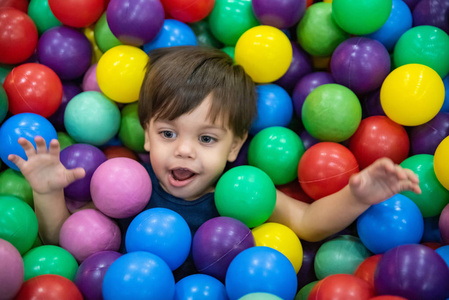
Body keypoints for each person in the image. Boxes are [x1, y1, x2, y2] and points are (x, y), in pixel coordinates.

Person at [8, 46, 421, 279]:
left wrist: (357, 196)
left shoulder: (246, 191)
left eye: (206, 138)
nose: (184, 150)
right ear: (147, 134)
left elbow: (309, 222)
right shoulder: (123, 183)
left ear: (234, 146)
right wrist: (48, 191)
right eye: (169, 134)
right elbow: (67, 241)